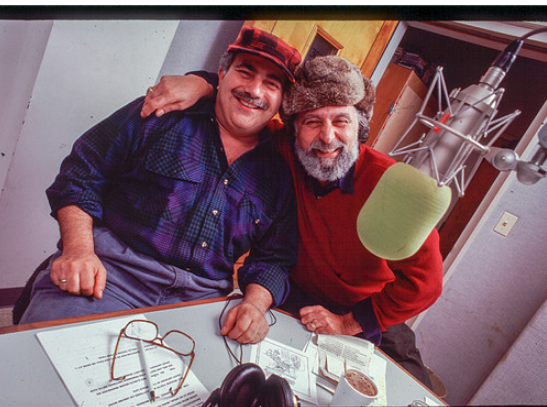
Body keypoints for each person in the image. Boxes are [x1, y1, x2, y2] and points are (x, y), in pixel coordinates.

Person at [142, 54, 443, 387]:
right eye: (312, 121)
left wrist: (346, 323)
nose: (327, 137)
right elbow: (247, 104)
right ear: (294, 129)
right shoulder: (285, 150)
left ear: (360, 127)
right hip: (297, 298)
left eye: (341, 121)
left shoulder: (392, 186)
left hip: (369, 312)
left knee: (413, 391)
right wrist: (202, 83)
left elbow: (426, 283)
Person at [20, 27, 302, 345]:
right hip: (111, 277)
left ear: (281, 100)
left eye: (271, 84)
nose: (254, 90)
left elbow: (275, 258)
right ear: (222, 74)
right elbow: (83, 171)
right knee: (44, 354)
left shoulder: (279, 175)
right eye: (245, 72)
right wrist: (78, 250)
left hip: (199, 306)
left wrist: (254, 304)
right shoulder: (162, 113)